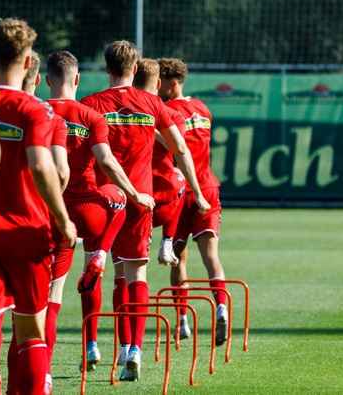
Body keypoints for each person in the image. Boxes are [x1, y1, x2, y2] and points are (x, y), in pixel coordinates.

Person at [0, 18, 77, 395]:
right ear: (28, 65)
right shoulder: (36, 111)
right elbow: (45, 166)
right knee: (31, 333)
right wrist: (62, 218)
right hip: (28, 236)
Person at [80, 41, 186, 382]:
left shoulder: (91, 104)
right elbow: (178, 145)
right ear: (136, 68)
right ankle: (134, 351)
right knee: (135, 276)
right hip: (141, 200)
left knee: (95, 268)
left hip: (102, 200)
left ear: (107, 68)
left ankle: (92, 345)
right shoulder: (152, 103)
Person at [45, 50, 155, 376]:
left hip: (48, 212)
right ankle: (101, 255)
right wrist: (135, 193)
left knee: (50, 295)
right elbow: (106, 161)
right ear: (76, 79)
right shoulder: (89, 114)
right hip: (89, 210)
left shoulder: (35, 111)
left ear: (45, 80)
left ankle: (49, 368)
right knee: (118, 199)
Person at [157, 57, 229, 345]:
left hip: (181, 189)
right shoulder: (203, 109)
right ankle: (221, 306)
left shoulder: (165, 110)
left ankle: (183, 321)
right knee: (211, 257)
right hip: (208, 187)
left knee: (177, 258)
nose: (156, 86)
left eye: (161, 81)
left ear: (172, 84)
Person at [132, 59, 210, 266]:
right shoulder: (169, 111)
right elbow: (180, 149)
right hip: (157, 196)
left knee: (118, 268)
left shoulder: (104, 104)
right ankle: (166, 241)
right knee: (178, 177)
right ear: (157, 83)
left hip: (122, 193)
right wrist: (199, 194)